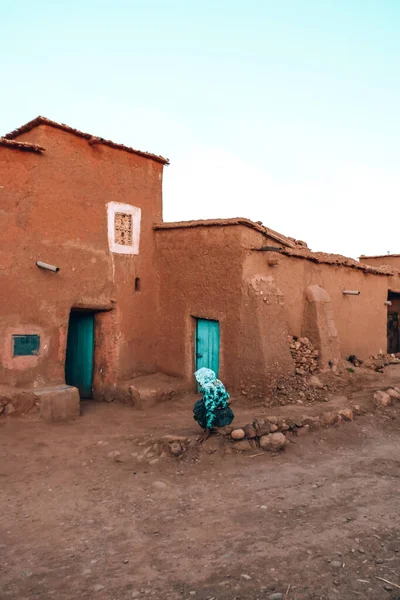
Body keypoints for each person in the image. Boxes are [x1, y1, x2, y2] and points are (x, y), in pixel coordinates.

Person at [193, 368, 234, 442]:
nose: (198, 382)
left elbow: (210, 409)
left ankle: (211, 426)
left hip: (217, 416)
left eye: (199, 379)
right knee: (204, 402)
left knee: (198, 406)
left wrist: (207, 431)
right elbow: (227, 397)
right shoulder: (218, 382)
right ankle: (218, 425)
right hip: (226, 415)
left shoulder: (207, 388)